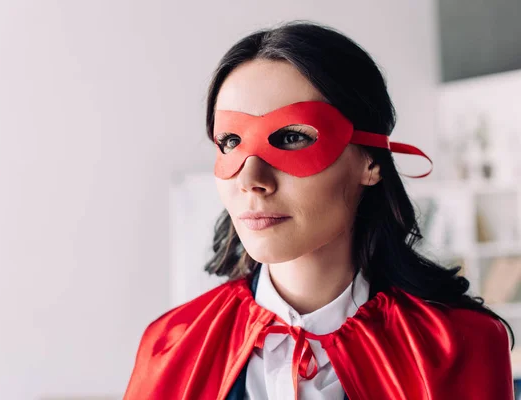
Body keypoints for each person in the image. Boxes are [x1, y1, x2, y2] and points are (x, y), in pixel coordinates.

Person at [124, 21, 514, 400]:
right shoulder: (171, 345)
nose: (251, 179)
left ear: (371, 162)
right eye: (231, 141)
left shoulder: (459, 348)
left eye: (292, 138)